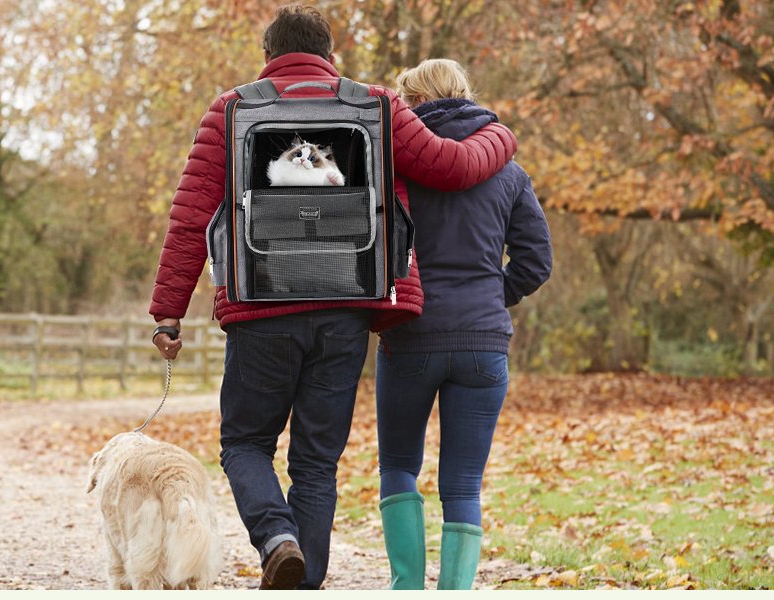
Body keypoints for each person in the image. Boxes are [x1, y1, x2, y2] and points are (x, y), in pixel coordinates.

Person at [147, 6, 519, 590]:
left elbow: (191, 219)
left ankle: (277, 539)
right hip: (348, 304)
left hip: (259, 306)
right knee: (316, 462)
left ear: (269, 56)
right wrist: (500, 133)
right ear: (330, 55)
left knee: (245, 442)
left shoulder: (232, 110)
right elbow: (454, 166)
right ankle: (306, 578)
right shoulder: (374, 105)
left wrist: (168, 313)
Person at [374, 58, 552, 590]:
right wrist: (487, 297)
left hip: (411, 338)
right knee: (464, 482)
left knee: (399, 465)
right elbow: (536, 261)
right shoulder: (510, 172)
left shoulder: (396, 166)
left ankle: (407, 586)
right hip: (483, 343)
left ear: (411, 102)